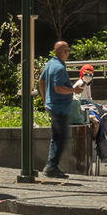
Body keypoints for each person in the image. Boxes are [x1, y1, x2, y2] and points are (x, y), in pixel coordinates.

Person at [39, 40, 77, 179]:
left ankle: (51, 166)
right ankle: (51, 167)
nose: (68, 53)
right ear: (61, 52)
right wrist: (74, 89)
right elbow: (59, 88)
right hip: (59, 107)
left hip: (52, 105)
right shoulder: (59, 68)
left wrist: (45, 100)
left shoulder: (50, 64)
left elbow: (41, 81)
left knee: (57, 138)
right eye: (66, 50)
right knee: (61, 138)